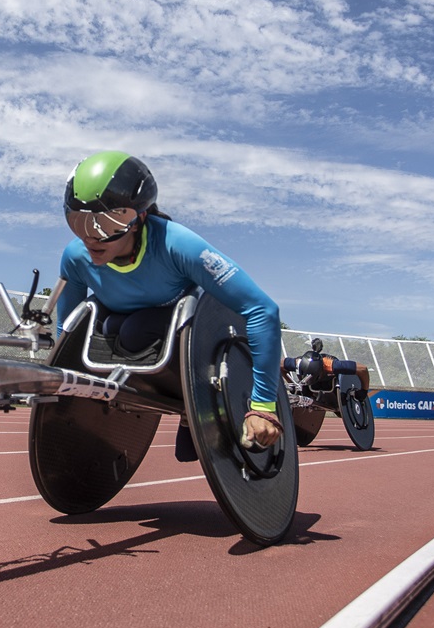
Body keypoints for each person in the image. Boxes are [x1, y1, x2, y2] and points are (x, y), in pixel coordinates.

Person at [54, 150, 283, 457]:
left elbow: (262, 310)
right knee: (110, 328)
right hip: (120, 329)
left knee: (133, 330)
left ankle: (193, 407)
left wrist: (264, 406)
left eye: (106, 225)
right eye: (78, 222)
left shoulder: (178, 245)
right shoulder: (75, 257)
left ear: (138, 219)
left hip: (179, 331)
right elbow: (66, 332)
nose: (90, 238)